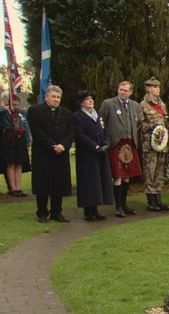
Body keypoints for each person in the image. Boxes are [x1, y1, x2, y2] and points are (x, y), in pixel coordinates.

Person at [27, 85, 74, 223]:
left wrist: (63, 145)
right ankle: (42, 212)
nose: (56, 99)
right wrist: (52, 145)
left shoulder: (66, 113)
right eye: (53, 96)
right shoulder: (35, 110)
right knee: (43, 184)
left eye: (58, 97)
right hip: (43, 154)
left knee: (59, 184)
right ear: (46, 96)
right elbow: (36, 131)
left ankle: (57, 212)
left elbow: (71, 131)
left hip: (61, 154)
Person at [99, 80, 142, 218]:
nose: (122, 92)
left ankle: (124, 204)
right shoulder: (108, 104)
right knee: (117, 177)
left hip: (130, 145)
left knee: (127, 178)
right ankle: (117, 207)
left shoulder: (135, 105)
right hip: (115, 144)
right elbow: (100, 122)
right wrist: (105, 140)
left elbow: (138, 122)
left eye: (125, 90)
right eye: (120, 89)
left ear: (131, 92)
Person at [73, 91, 113, 221]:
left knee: (98, 181)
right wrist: (94, 146)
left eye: (91, 99)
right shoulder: (78, 116)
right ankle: (87, 211)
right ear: (81, 103)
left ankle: (95, 209)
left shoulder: (97, 115)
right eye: (87, 100)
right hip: (87, 154)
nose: (91, 101)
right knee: (88, 181)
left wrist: (106, 143)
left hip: (100, 153)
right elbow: (80, 135)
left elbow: (104, 130)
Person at [140, 77, 169, 212]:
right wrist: (152, 125)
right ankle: (151, 200)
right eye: (155, 87)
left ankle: (158, 198)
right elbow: (140, 124)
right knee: (150, 172)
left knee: (159, 172)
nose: (158, 89)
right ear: (148, 89)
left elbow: (165, 120)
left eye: (158, 86)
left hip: (161, 143)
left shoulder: (162, 104)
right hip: (149, 144)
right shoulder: (143, 105)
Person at [0, 93, 30, 197]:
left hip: (20, 140)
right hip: (8, 140)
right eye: (13, 102)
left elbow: (25, 126)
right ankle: (12, 188)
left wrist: (28, 141)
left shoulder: (21, 114)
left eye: (17, 102)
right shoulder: (3, 113)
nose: (15, 104)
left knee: (19, 163)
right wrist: (3, 107)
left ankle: (18, 188)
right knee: (11, 163)